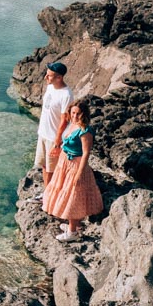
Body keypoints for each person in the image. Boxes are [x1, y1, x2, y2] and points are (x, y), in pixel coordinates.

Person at [43, 99, 104, 241]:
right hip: (64, 163)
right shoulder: (72, 125)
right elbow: (66, 142)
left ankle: (72, 233)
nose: (75, 116)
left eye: (78, 114)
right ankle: (74, 225)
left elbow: (86, 153)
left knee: (73, 197)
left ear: (84, 114)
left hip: (75, 165)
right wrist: (59, 150)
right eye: (73, 113)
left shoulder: (85, 131)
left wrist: (79, 173)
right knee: (66, 193)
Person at [34, 62, 72, 193]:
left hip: (53, 137)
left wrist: (57, 142)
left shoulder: (66, 95)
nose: (46, 77)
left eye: (49, 76)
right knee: (44, 165)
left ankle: (50, 195)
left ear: (59, 78)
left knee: (52, 169)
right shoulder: (50, 87)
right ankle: (46, 192)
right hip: (43, 134)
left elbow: (64, 120)